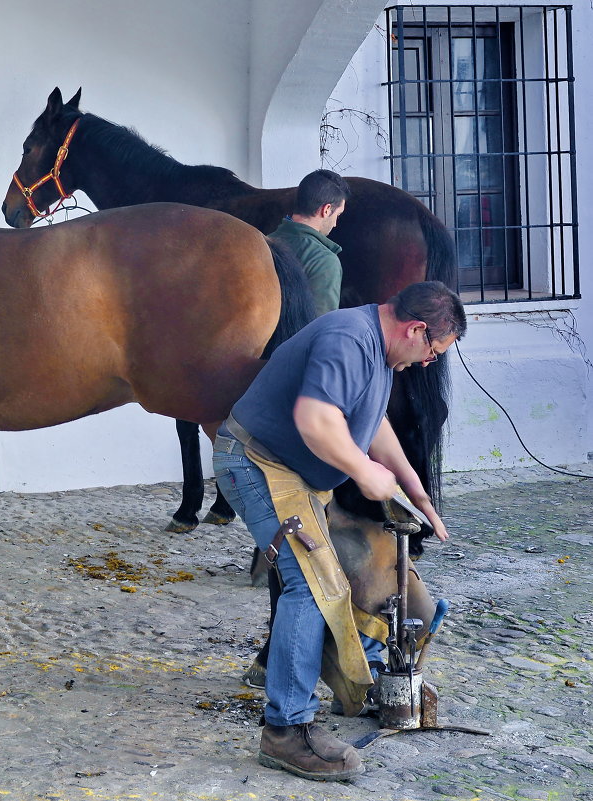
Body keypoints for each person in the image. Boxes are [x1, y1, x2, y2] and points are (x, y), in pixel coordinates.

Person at [212, 280, 466, 781]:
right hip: (256, 466)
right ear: (416, 330)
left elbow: (369, 423)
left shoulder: (379, 351)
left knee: (364, 565)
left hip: (298, 477)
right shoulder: (350, 339)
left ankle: (366, 681)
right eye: (433, 351)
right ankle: (287, 730)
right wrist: (365, 472)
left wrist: (412, 486)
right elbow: (315, 419)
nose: (427, 362)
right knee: (310, 584)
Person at [269, 169, 350, 316]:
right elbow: (320, 328)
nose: (335, 224)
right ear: (326, 210)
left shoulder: (264, 242)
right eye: (338, 215)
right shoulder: (324, 261)